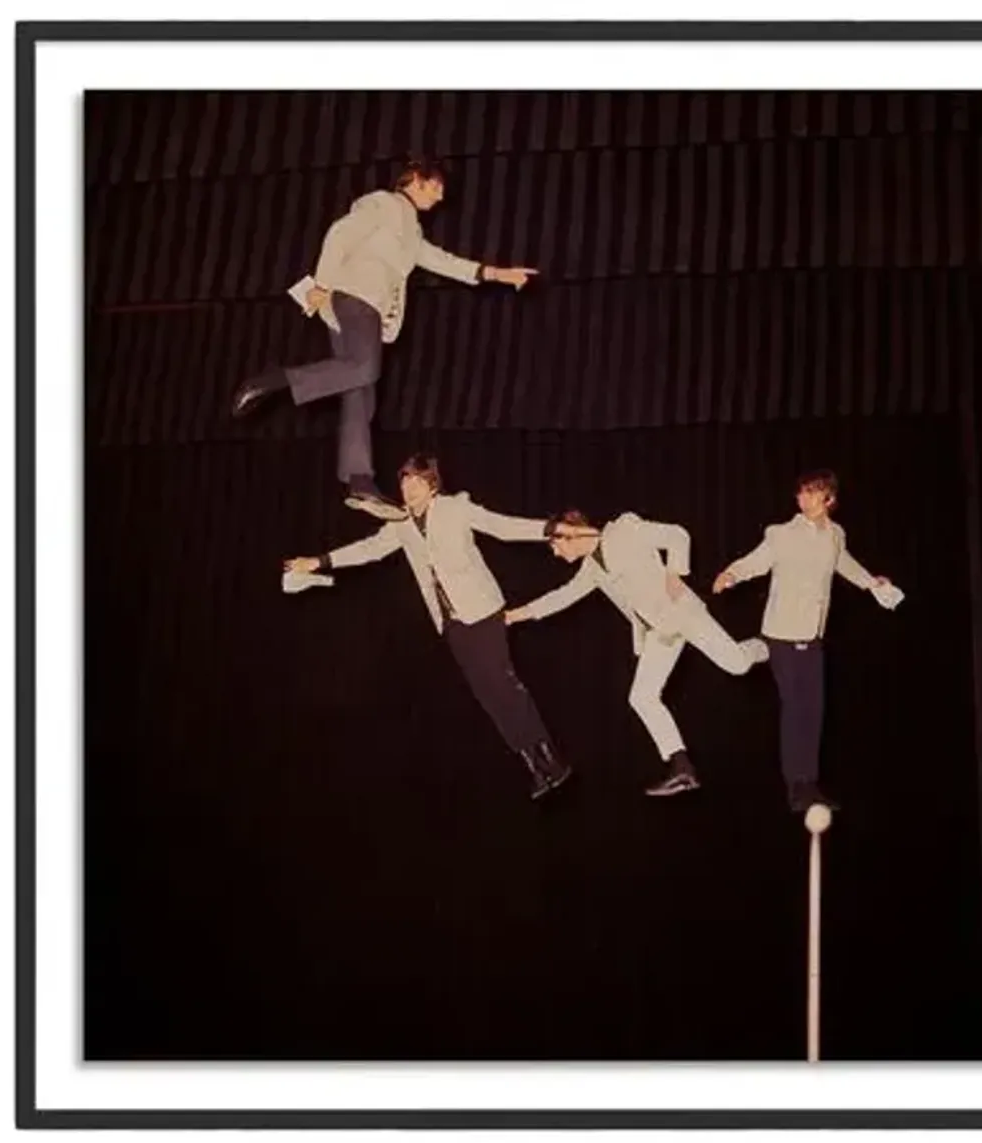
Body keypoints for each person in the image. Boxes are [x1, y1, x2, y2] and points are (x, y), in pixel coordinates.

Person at [232, 159, 539, 520]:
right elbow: (340, 233)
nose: (440, 197)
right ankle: (274, 379)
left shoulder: (411, 232)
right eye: (436, 187)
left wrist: (498, 274)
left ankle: (359, 481)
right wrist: (322, 283)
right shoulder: (383, 203)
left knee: (360, 393)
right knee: (365, 368)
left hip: (364, 308)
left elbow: (445, 262)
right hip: (355, 298)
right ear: (418, 180)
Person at [283, 455, 570, 800]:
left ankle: (552, 760)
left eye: (415, 481)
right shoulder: (401, 524)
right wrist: (318, 561)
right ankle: (535, 767)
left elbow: (502, 526)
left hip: (482, 611)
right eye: (403, 481)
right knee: (488, 696)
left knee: (505, 684)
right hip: (451, 623)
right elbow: (369, 549)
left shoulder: (455, 508)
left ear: (432, 486)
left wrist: (549, 528)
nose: (407, 488)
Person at [504, 510, 769, 797]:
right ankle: (682, 767)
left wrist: (673, 572)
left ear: (571, 533)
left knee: (738, 665)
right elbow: (562, 596)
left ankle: (770, 646)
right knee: (642, 697)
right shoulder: (592, 568)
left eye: (555, 545)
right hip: (659, 632)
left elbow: (676, 534)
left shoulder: (625, 530)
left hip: (681, 612)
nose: (555, 553)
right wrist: (514, 616)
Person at [712, 470, 898, 814]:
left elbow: (844, 563)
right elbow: (758, 559)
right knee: (795, 708)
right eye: (801, 493)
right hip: (782, 633)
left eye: (812, 494)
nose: (803, 499)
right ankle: (796, 786)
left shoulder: (835, 535)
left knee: (813, 711)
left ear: (828, 499)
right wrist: (733, 573)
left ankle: (809, 783)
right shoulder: (781, 533)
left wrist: (873, 583)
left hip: (813, 635)